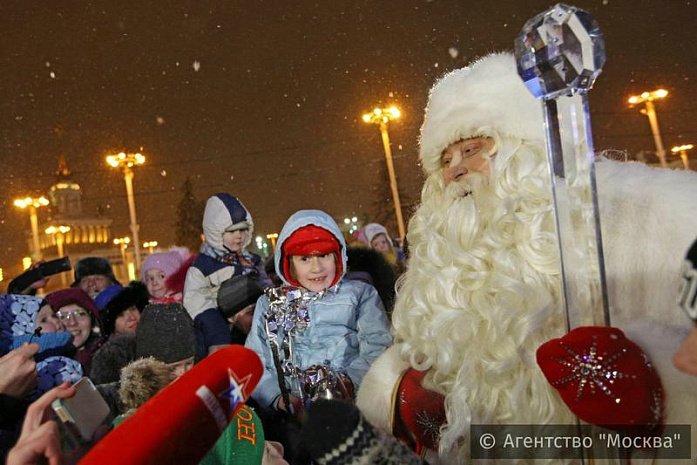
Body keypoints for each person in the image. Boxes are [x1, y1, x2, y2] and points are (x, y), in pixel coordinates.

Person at [356, 52, 697, 463]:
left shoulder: (643, 215)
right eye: (444, 161)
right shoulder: (447, 259)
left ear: (523, 151)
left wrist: (661, 401)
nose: (456, 171)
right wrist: (396, 391)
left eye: (472, 149)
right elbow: (428, 352)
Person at [245, 209, 392, 413]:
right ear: (289, 263)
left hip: (354, 407)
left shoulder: (359, 295)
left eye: (324, 255)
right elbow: (257, 357)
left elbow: (378, 345)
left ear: (337, 257)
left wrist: (349, 383)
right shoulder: (270, 304)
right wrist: (278, 398)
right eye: (304, 259)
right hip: (293, 415)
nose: (317, 268)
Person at [184, 193, 272, 360]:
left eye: (242, 230)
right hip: (218, 323)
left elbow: (264, 283)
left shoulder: (251, 260)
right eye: (231, 231)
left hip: (250, 319)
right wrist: (212, 319)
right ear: (216, 232)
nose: (238, 236)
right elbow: (194, 298)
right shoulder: (203, 266)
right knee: (219, 344)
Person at [44, 288, 105, 375]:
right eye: (61, 316)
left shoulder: (113, 358)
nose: (72, 322)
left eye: (80, 314)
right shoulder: (41, 369)